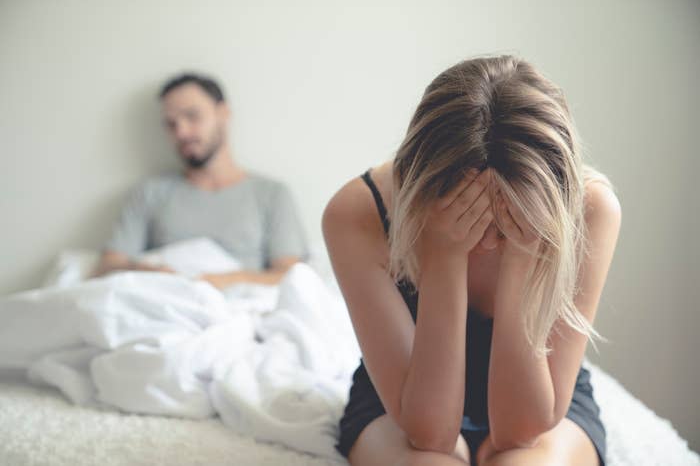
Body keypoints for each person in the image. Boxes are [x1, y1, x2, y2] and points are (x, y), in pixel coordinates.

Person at [322, 56, 621, 466]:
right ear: (419, 184)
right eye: (470, 213)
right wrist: (444, 254)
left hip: (542, 396)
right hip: (404, 397)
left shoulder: (590, 208)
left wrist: (524, 252)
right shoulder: (359, 213)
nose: (486, 244)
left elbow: (521, 430)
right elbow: (430, 435)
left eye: (505, 222)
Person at [94, 73, 308, 287]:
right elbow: (107, 267)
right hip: (169, 304)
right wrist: (151, 273)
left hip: (243, 309)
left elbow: (290, 276)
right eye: (171, 124)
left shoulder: (272, 194)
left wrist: (228, 280)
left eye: (192, 116)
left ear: (223, 113)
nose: (182, 132)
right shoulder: (149, 193)